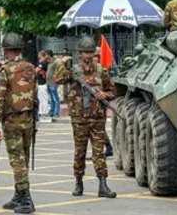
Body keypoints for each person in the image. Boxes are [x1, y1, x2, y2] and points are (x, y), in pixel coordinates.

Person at [55, 35, 117, 198]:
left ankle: (103, 185)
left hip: (97, 119)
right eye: (86, 53)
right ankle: (78, 183)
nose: (89, 56)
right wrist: (62, 63)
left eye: (91, 53)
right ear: (80, 54)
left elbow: (113, 92)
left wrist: (105, 94)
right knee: (80, 152)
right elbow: (58, 79)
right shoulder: (74, 71)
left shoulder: (101, 71)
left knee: (99, 153)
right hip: (79, 119)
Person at [0, 32, 38, 213]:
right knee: (23, 157)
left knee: (17, 160)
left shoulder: (5, 71)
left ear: (6, 51)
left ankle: (26, 198)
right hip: (28, 119)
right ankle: (18, 195)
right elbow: (35, 95)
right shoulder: (31, 68)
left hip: (12, 120)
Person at [44, 50, 61, 119]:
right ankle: (51, 111)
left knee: (55, 98)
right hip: (48, 82)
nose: (45, 56)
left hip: (53, 83)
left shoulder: (56, 62)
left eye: (45, 55)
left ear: (48, 55)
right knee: (51, 98)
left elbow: (60, 68)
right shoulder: (49, 62)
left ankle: (56, 112)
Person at [36, 51, 50, 118]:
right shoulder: (46, 62)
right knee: (41, 98)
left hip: (42, 83)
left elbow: (36, 70)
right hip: (42, 82)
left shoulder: (43, 63)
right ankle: (41, 111)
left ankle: (45, 111)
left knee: (43, 98)